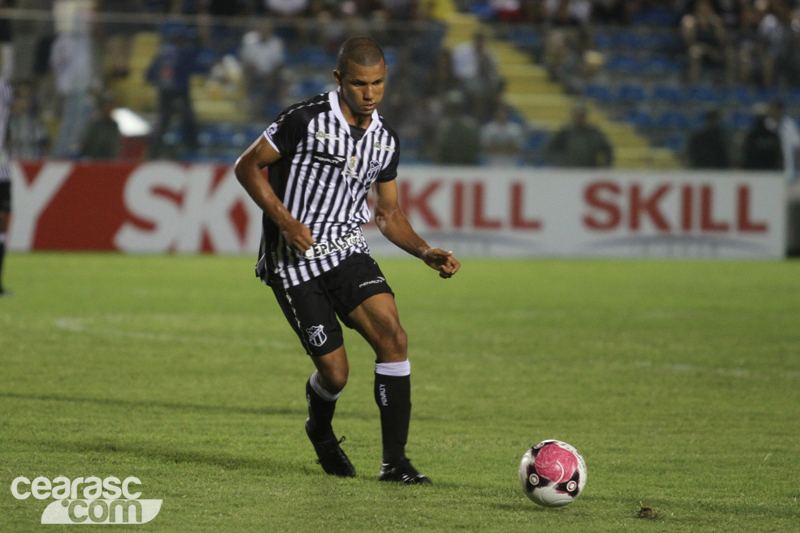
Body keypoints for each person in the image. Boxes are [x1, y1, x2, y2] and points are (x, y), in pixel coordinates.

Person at [234, 37, 460, 483]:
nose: (370, 93)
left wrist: (424, 251)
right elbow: (247, 165)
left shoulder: (385, 140)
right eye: (359, 84)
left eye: (377, 83)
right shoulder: (305, 119)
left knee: (394, 337)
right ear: (340, 79)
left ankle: (394, 463)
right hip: (294, 261)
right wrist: (285, 221)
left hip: (346, 250)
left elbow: (389, 213)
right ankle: (319, 429)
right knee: (336, 376)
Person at [545, 101, 613, 168]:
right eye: (576, 114)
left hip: (589, 170)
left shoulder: (593, 132)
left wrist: (604, 166)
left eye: (581, 115)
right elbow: (549, 149)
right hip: (570, 171)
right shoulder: (565, 132)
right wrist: (558, 163)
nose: (579, 117)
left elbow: (607, 149)